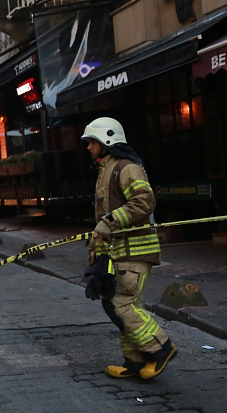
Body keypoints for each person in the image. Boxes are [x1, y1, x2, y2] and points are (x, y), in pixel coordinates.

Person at [81, 117, 176, 380]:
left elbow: (145, 201)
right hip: (117, 252)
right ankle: (133, 362)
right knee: (123, 303)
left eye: (92, 142)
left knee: (119, 304)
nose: (88, 147)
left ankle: (161, 348)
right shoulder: (106, 170)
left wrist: (109, 223)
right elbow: (104, 219)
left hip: (134, 251)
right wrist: (94, 248)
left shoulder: (126, 168)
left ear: (107, 141)